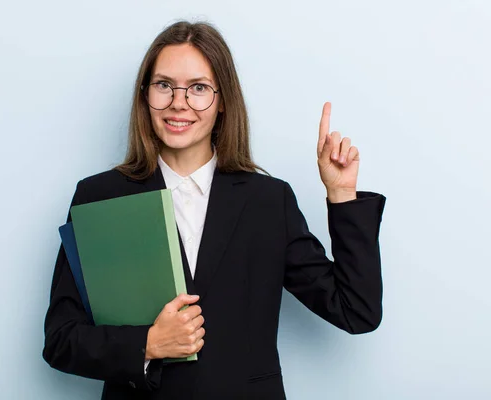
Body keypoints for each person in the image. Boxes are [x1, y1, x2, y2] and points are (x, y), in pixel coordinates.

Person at [42, 20, 386, 400]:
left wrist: (341, 195)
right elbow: (61, 339)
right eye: (163, 85)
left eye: (199, 88)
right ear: (145, 96)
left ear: (222, 102)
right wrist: (149, 343)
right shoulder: (100, 196)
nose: (178, 102)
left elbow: (356, 311)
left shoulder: (269, 202)